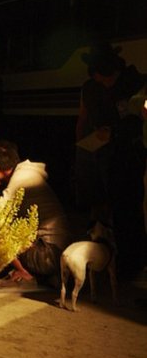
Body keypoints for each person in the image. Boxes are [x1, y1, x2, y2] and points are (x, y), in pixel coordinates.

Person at [74, 43, 146, 278]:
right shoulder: (90, 88)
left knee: (130, 207)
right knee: (108, 205)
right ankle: (110, 258)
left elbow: (137, 121)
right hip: (102, 154)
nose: (104, 83)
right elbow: (82, 120)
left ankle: (132, 262)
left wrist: (116, 133)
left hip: (130, 156)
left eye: (106, 79)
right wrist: (83, 146)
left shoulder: (134, 84)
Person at [0, 140, 73, 288]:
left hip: (49, 255)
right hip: (59, 251)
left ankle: (26, 274)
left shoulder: (20, 179)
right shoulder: (27, 173)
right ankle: (46, 276)